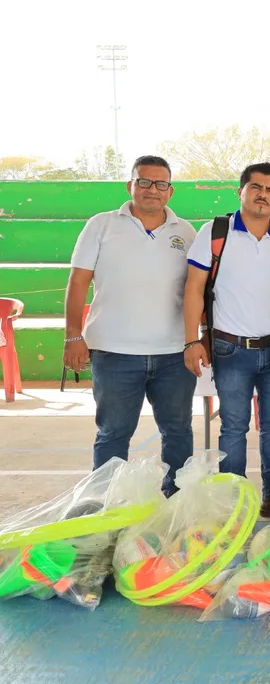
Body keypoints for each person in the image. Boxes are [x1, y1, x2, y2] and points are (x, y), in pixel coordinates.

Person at [182, 162, 270, 519]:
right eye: (255, 187)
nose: (262, 195)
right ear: (240, 192)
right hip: (230, 349)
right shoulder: (215, 232)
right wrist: (192, 341)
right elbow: (193, 289)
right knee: (234, 428)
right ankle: (233, 501)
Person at [64, 156, 197, 496]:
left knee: (178, 433)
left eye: (161, 183)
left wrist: (198, 339)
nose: (153, 189)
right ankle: (104, 506)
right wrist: (73, 336)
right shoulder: (101, 225)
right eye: (144, 182)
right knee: (113, 434)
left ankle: (177, 503)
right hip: (114, 353)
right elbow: (78, 282)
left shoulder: (185, 232)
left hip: (173, 354)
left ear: (170, 191)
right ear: (130, 185)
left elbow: (197, 290)